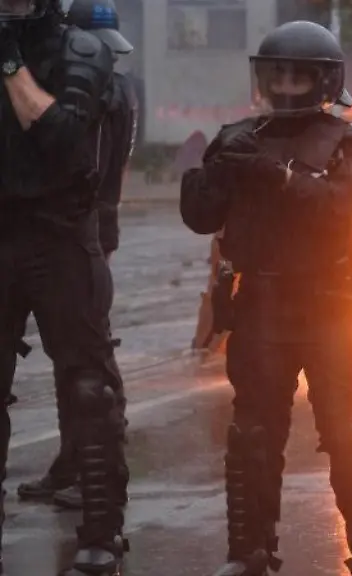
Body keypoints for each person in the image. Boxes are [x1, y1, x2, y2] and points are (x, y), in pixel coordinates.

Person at [179, 20, 352, 576]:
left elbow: (339, 209)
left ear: (323, 80)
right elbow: (199, 216)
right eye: (276, 75)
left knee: (350, 432)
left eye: (297, 76)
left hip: (333, 308)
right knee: (252, 434)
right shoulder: (238, 138)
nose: (284, 85)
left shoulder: (349, 143)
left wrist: (274, 174)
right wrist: (216, 172)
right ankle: (247, 551)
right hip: (262, 306)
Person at [0, 0, 126, 573]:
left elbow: (63, 136)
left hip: (60, 236)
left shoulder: (83, 50)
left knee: (89, 390)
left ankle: (101, 532)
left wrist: (10, 66)